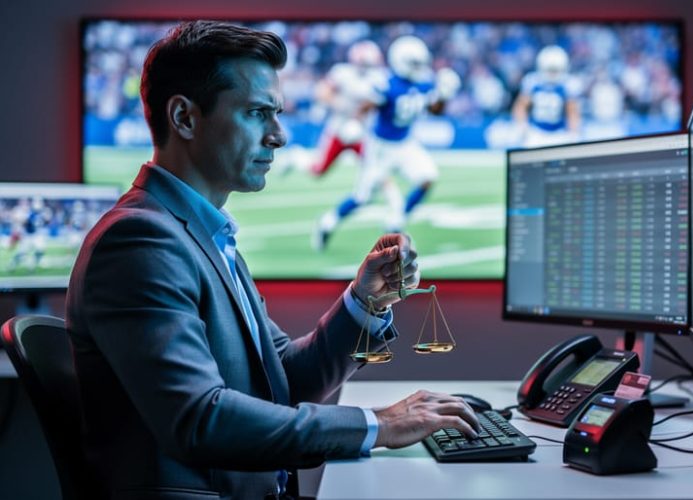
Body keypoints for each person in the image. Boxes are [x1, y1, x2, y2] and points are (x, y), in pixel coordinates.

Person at [66, 21, 479, 500]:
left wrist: (364, 303)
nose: (279, 136)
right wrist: (377, 424)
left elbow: (281, 376)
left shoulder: (196, 229)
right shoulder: (140, 241)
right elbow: (200, 420)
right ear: (184, 118)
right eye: (258, 113)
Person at [312, 35, 461, 251]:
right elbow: (365, 108)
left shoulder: (424, 81)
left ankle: (396, 221)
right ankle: (328, 221)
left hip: (405, 143)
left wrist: (444, 96)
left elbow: (435, 110)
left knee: (428, 177)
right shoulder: (386, 83)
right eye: (414, 63)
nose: (419, 68)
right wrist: (355, 124)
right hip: (380, 147)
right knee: (362, 197)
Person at [511, 44, 581, 147]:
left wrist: (573, 132)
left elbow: (572, 111)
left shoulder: (568, 84)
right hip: (536, 133)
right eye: (550, 70)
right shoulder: (532, 81)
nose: (552, 74)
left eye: (555, 70)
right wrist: (522, 125)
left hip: (559, 134)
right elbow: (520, 106)